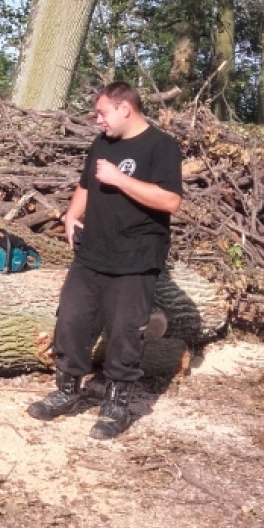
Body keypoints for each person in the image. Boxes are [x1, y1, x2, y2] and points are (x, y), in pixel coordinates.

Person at [27, 82, 183, 440]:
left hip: (136, 258)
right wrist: (70, 217)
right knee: (70, 320)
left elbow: (170, 201)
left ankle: (116, 406)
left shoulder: (162, 147)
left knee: (125, 333)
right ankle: (68, 390)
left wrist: (120, 179)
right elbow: (86, 185)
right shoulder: (103, 144)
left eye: (102, 113)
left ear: (125, 108)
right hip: (92, 253)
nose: (98, 120)